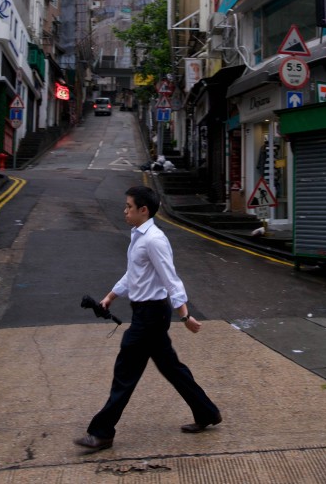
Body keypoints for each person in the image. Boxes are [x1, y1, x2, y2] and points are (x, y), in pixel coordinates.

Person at [74, 186, 222, 452]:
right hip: (144, 312)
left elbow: (171, 279)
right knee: (171, 368)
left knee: (125, 372)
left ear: (144, 210)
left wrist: (185, 315)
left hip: (151, 316)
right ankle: (207, 413)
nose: (125, 211)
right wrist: (110, 297)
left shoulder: (154, 239)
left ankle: (102, 432)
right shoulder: (138, 236)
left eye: (129, 206)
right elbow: (134, 275)